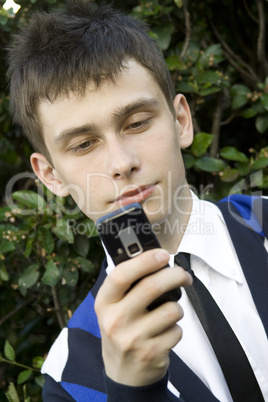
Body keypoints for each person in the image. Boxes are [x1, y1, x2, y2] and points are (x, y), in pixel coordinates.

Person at [7, 1, 268, 401]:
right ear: (50, 175)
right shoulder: (69, 376)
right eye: (83, 144)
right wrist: (132, 391)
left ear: (181, 121)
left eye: (138, 123)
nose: (121, 163)